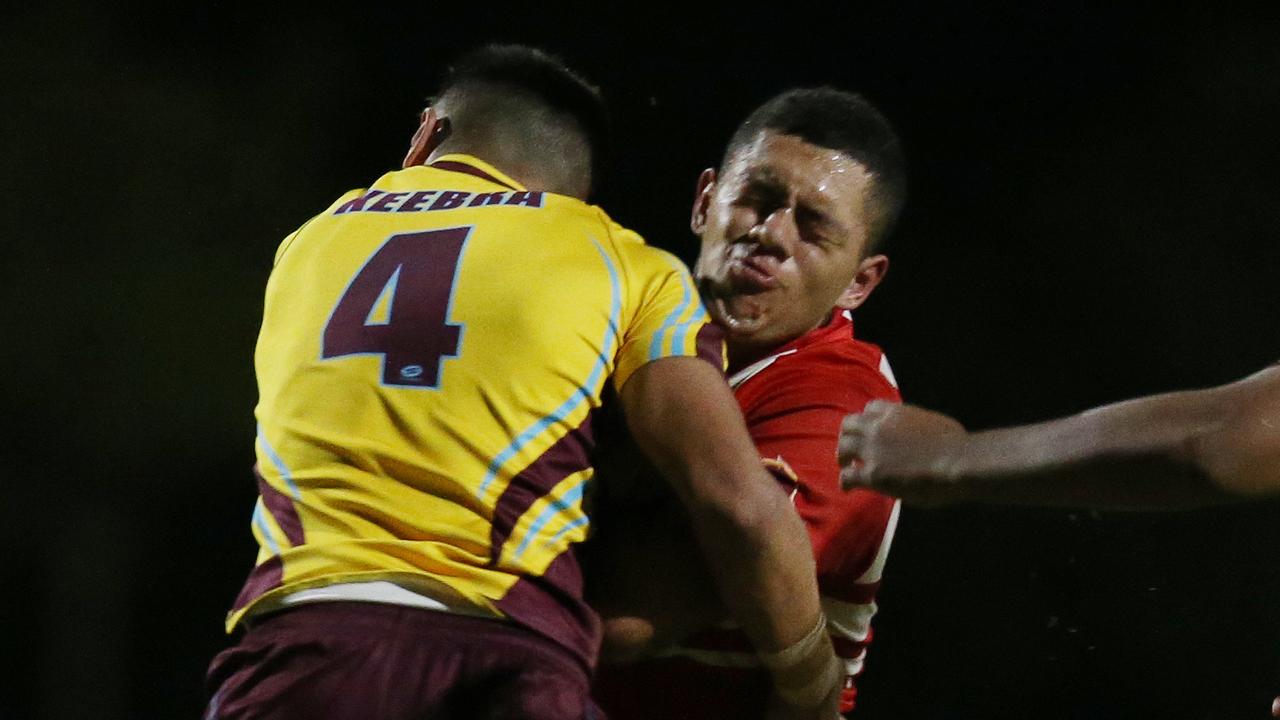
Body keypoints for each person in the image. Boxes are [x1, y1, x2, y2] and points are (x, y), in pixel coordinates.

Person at [204, 45, 842, 720]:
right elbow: (738, 504)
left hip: (298, 650)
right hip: (500, 662)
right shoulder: (616, 260)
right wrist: (814, 683)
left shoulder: (305, 244)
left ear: (426, 134)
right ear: (575, 193)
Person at [589, 87, 909, 718]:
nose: (770, 234)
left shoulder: (845, 407)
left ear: (859, 281)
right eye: (757, 200)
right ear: (706, 201)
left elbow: (623, 619)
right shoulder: (614, 310)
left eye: (813, 227)